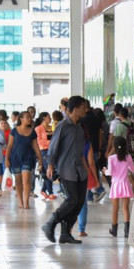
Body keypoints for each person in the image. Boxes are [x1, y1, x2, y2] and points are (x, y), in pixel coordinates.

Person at [43, 96, 89, 244]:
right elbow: (53, 147)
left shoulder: (80, 127)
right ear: (74, 108)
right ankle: (50, 223)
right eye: (83, 107)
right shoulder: (63, 126)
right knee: (72, 200)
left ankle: (65, 233)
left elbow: (81, 151)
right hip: (66, 169)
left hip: (80, 171)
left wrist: (86, 168)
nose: (85, 110)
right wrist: (50, 166)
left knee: (79, 202)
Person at [5, 111, 44, 209]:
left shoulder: (32, 131)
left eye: (30, 117)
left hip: (28, 158)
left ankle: (26, 202)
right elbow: (9, 146)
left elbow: (36, 146)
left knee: (26, 180)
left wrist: (40, 160)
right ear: (21, 119)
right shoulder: (14, 130)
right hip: (15, 158)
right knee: (18, 181)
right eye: (27, 117)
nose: (29, 119)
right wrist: (6, 159)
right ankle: (20, 201)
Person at [106, 136, 134, 237]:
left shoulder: (111, 158)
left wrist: (103, 171)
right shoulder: (128, 157)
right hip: (125, 184)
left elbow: (109, 172)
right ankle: (127, 231)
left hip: (115, 185)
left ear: (114, 147)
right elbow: (133, 170)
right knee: (125, 208)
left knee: (115, 208)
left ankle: (114, 230)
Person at [35, 112, 55, 200]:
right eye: (48, 117)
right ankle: (50, 192)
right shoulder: (38, 128)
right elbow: (39, 141)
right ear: (44, 118)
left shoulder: (52, 128)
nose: (50, 119)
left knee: (51, 170)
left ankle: (43, 189)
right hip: (43, 151)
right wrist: (51, 143)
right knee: (48, 170)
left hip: (52, 151)